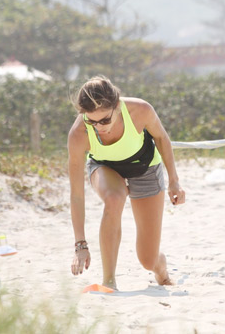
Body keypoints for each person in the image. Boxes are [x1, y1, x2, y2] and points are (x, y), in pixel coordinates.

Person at [67, 75, 185, 290]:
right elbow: (76, 194)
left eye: (104, 120)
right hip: (105, 167)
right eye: (92, 121)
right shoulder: (79, 133)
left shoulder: (140, 111)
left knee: (148, 259)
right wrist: (80, 244)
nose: (99, 127)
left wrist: (174, 181)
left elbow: (161, 138)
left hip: (145, 168)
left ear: (117, 106)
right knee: (114, 197)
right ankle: (109, 282)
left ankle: (161, 269)